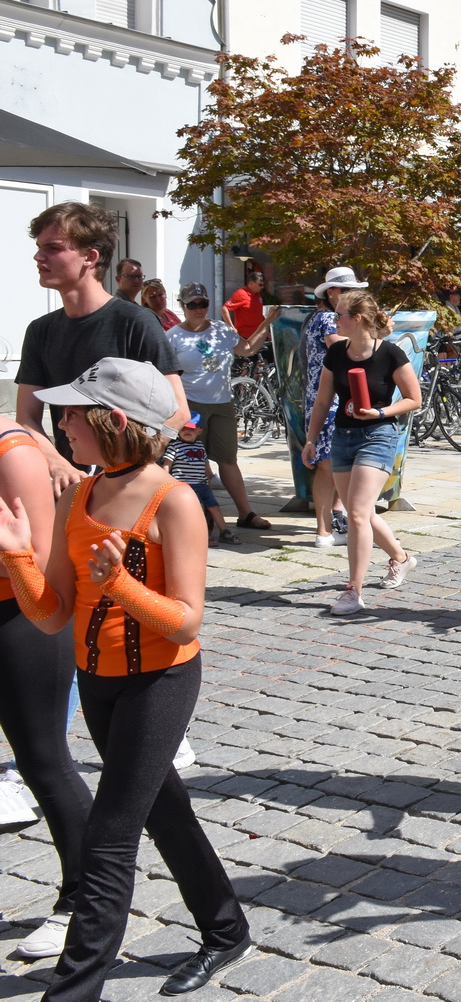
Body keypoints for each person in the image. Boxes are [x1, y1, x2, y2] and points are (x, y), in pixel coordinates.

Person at [0, 358, 249, 1000]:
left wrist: (119, 584)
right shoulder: (78, 494)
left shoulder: (176, 500)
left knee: (109, 839)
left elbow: (185, 622)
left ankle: (73, 991)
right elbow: (52, 613)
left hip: (159, 683)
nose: (61, 424)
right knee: (163, 810)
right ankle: (226, 930)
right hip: (98, 681)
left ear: (113, 421)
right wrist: (18, 556)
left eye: (72, 414)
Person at [16, 203, 188, 497]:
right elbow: (26, 419)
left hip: (130, 490)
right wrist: (58, 464)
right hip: (73, 490)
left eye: (53, 248)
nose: (38, 256)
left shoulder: (135, 321)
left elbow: (178, 411)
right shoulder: (40, 330)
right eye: (39, 247)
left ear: (90, 257)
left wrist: (130, 465)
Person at [0, 411, 91, 963]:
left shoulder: (11, 449)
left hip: (23, 619)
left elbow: (37, 558)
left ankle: (84, 900)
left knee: (43, 762)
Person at [301, 293, 421, 615]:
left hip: (378, 435)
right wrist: (311, 440)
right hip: (342, 437)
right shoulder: (337, 352)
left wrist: (380, 413)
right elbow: (322, 401)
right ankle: (402, 558)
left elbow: (414, 398)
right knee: (363, 513)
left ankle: (353, 591)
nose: (334, 319)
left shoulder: (390, 353)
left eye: (339, 314)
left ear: (356, 319)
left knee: (355, 514)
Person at [165, 284, 279, 534]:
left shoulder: (221, 330)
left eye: (203, 303)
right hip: (191, 405)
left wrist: (267, 322)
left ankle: (245, 513)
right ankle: (193, 515)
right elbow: (166, 373)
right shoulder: (173, 336)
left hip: (222, 403)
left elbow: (247, 349)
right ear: (183, 306)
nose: (198, 309)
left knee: (228, 460)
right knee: (192, 460)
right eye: (192, 305)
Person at [303, 268, 367, 547]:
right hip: (328, 400)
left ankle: (332, 523)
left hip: (329, 397)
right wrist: (372, 336)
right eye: (347, 290)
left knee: (334, 463)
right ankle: (324, 530)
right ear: (331, 292)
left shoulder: (322, 316)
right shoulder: (328, 318)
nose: (352, 295)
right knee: (328, 465)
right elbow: (340, 347)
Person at [164, 413, 233, 546]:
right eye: (184, 428)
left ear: (199, 430)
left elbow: (205, 464)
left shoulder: (200, 446)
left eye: (191, 428)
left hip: (202, 485)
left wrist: (210, 478)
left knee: (214, 507)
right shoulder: (175, 446)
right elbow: (167, 465)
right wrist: (165, 481)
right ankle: (203, 535)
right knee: (199, 509)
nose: (187, 431)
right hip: (185, 486)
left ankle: (224, 531)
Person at [220, 270, 266, 339]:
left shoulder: (257, 295)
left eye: (263, 285)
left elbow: (259, 313)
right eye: (260, 285)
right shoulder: (241, 294)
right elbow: (224, 309)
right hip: (244, 336)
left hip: (258, 335)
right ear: (251, 283)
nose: (262, 287)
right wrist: (231, 327)